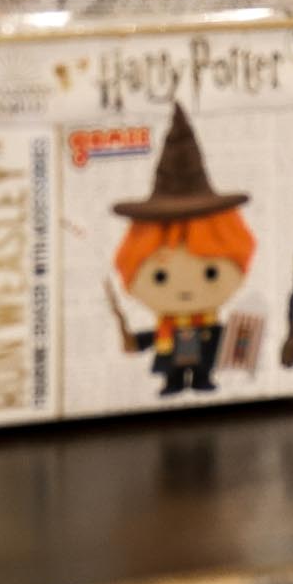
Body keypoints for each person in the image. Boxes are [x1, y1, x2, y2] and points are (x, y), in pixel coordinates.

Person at [108, 104, 256, 397]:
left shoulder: (209, 325)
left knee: (205, 367)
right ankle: (173, 381)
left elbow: (232, 340)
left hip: (205, 357)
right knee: (173, 373)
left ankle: (202, 378)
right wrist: (134, 341)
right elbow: (150, 339)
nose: (186, 289)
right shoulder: (166, 327)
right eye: (160, 277)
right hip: (171, 358)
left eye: (210, 272)